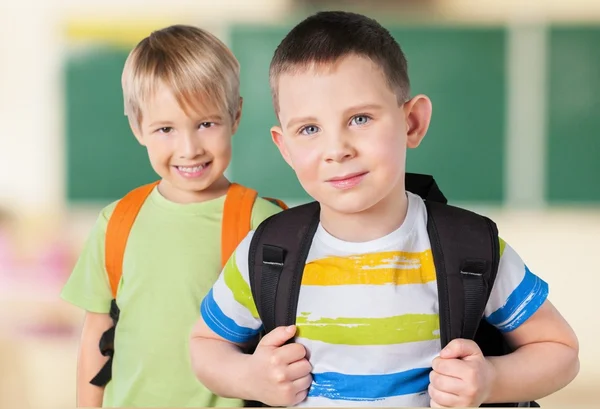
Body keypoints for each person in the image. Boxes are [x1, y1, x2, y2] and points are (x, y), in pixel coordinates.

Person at [189, 11, 580, 408]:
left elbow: (559, 350)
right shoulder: (268, 252)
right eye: (310, 129)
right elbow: (205, 344)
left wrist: (492, 379)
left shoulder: (471, 250)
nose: (337, 149)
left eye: (360, 119)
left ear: (411, 122)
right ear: (284, 146)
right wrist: (249, 377)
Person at [60, 24, 284, 408]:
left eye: (206, 124)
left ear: (236, 115)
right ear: (137, 128)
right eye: (165, 128)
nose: (189, 148)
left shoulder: (261, 223)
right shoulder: (116, 223)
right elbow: (97, 335)